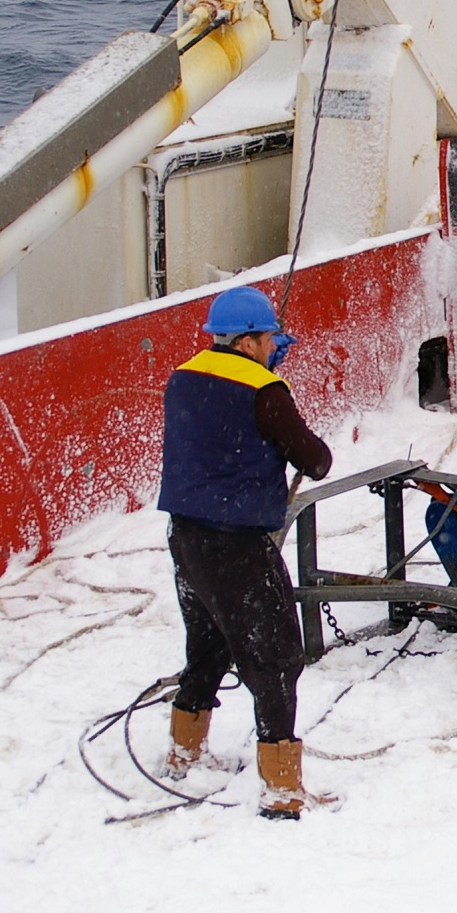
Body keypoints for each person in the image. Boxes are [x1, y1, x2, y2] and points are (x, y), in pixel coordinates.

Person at [156, 286, 334, 820]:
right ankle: (282, 788)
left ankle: (183, 749)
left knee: (207, 643)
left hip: (186, 536)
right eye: (270, 338)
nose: (274, 346)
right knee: (276, 656)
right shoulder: (265, 389)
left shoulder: (182, 376)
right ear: (253, 340)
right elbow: (316, 459)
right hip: (238, 544)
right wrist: (273, 389)